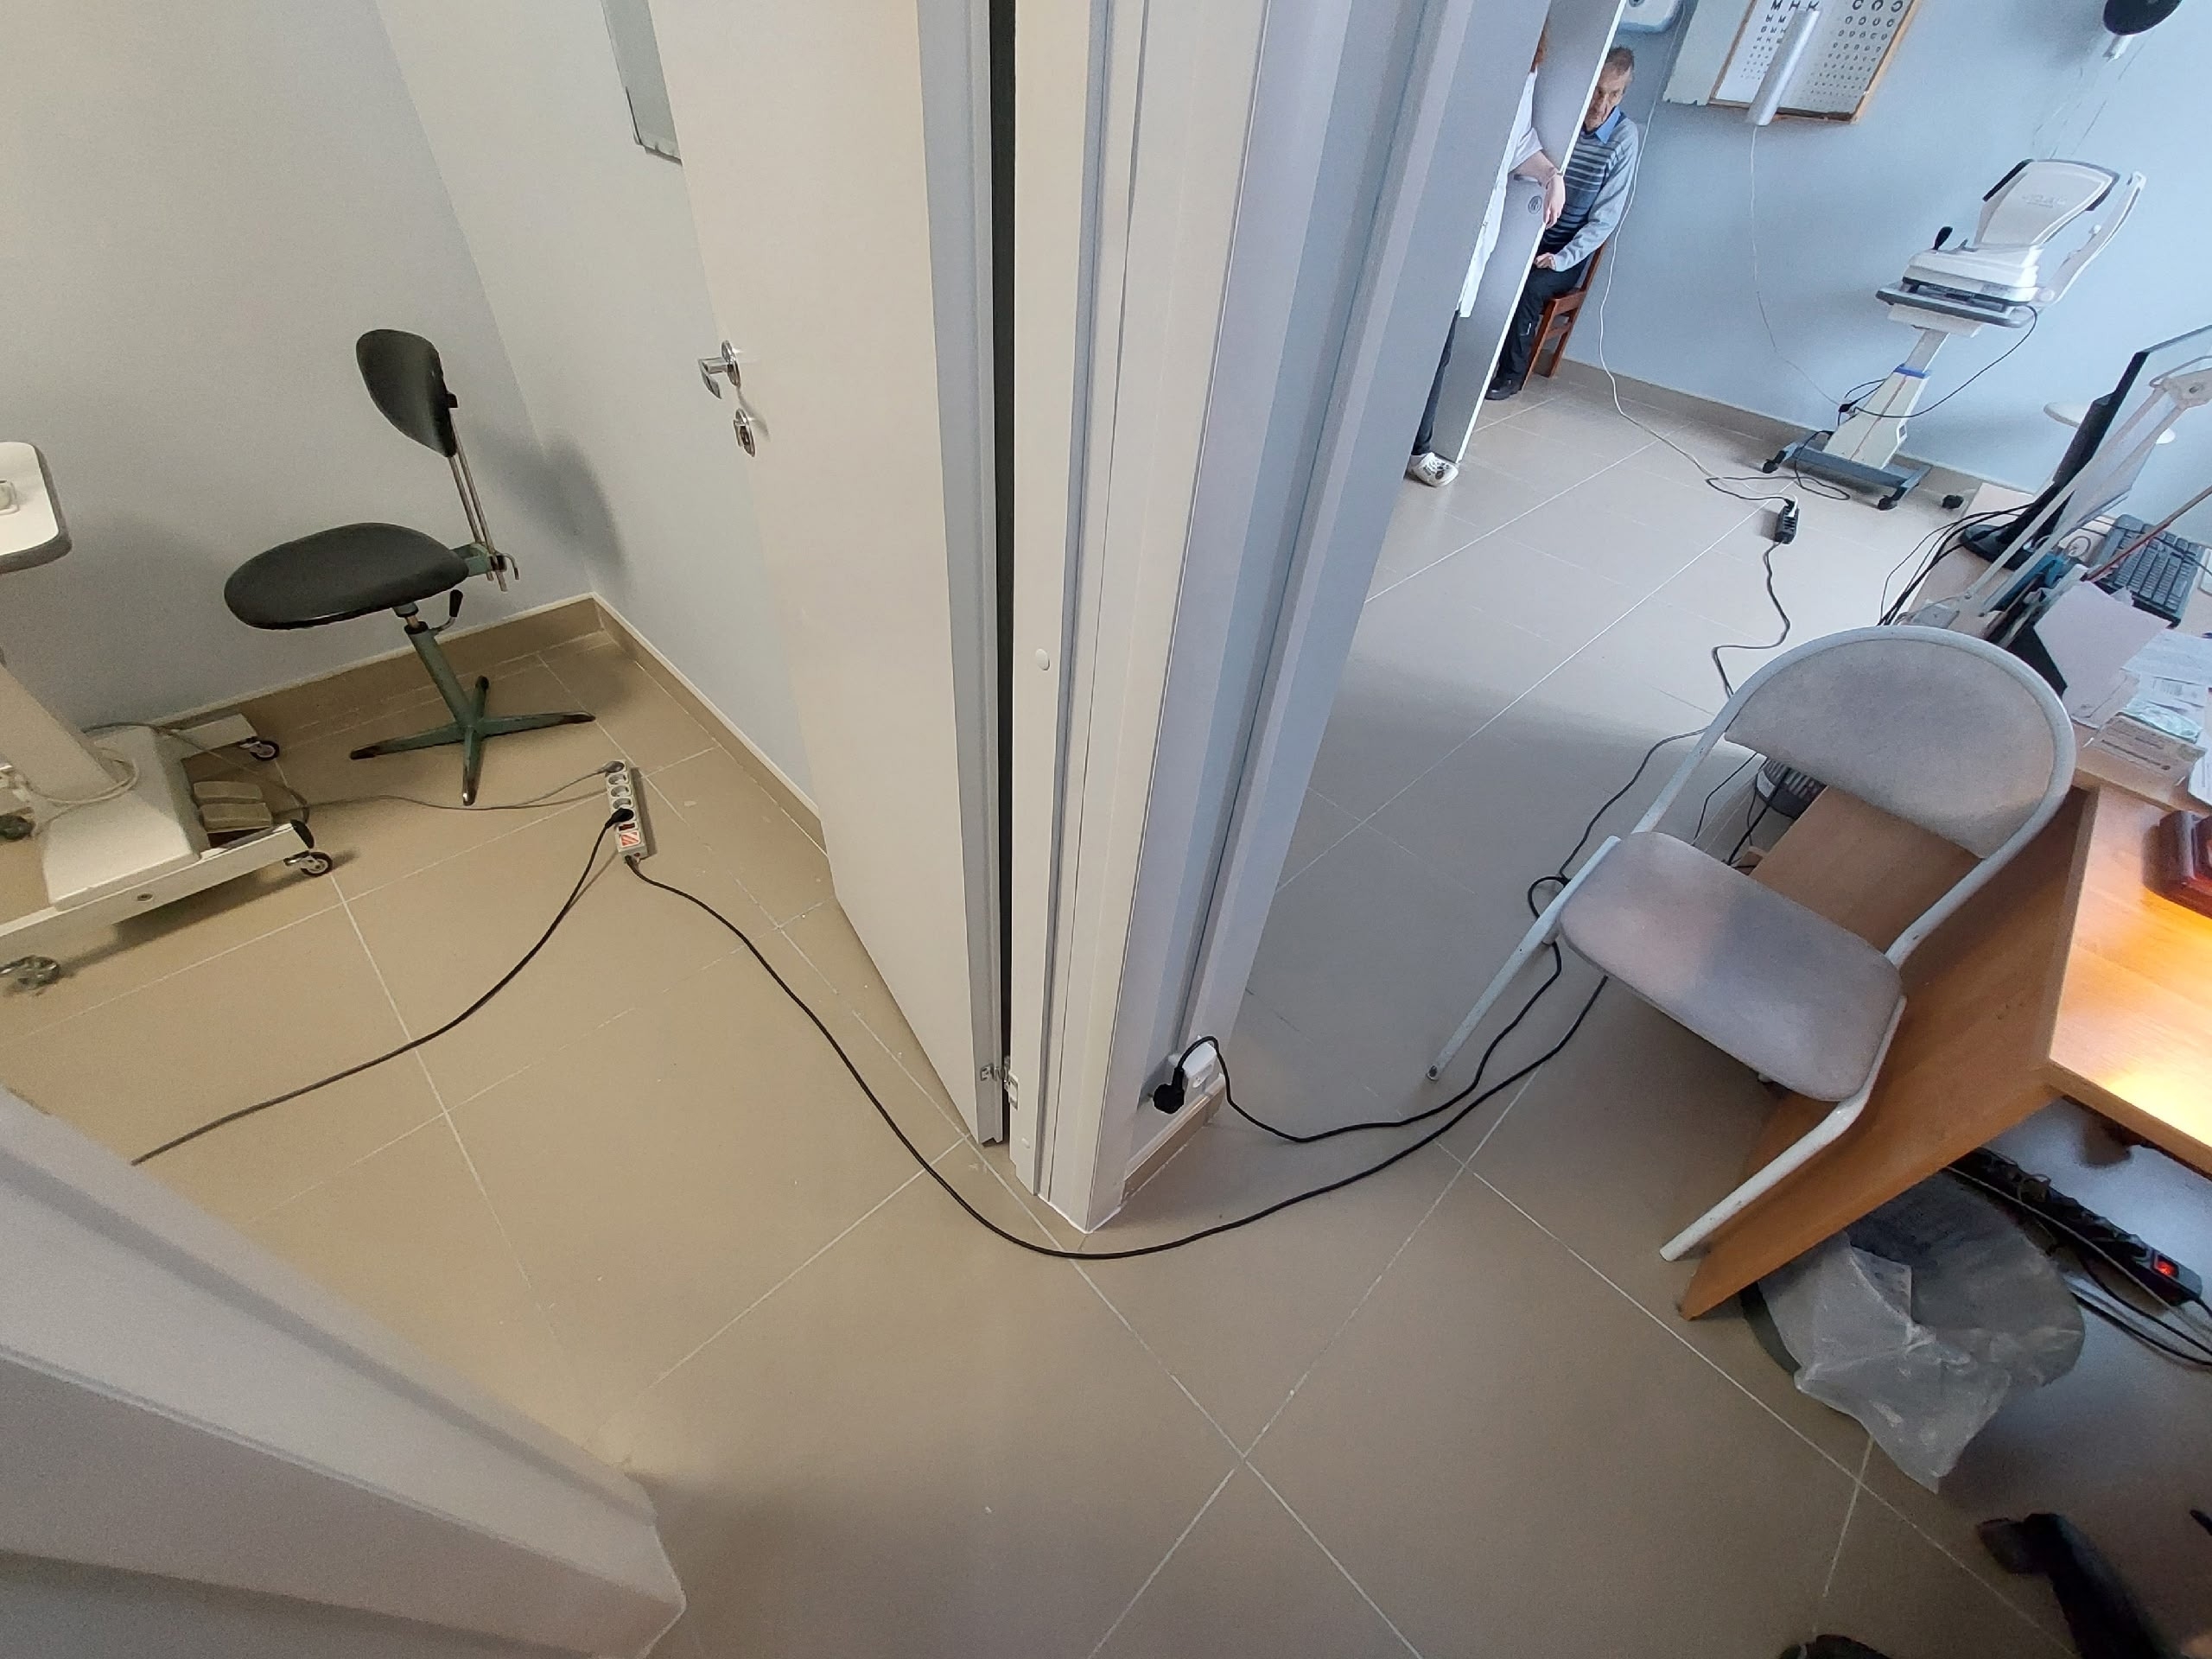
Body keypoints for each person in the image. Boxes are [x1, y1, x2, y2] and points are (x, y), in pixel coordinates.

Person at [1407, 38, 1564, 487]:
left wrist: (1552, 175)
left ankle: (1417, 448)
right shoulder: (1462, 42)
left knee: (1440, 344)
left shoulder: (1526, 66)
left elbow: (1518, 143)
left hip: (1471, 225)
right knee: (1401, 333)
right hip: (1428, 208)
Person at [1486, 44, 1640, 403]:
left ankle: (1511, 375)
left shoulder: (1624, 137)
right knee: (1498, 268)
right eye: (1598, 92)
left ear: (1623, 94)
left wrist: (1561, 259)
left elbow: (1605, 220)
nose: (1602, 104)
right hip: (1530, 229)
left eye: (1614, 94)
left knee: (1531, 287)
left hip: (1566, 247)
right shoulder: (1565, 118)